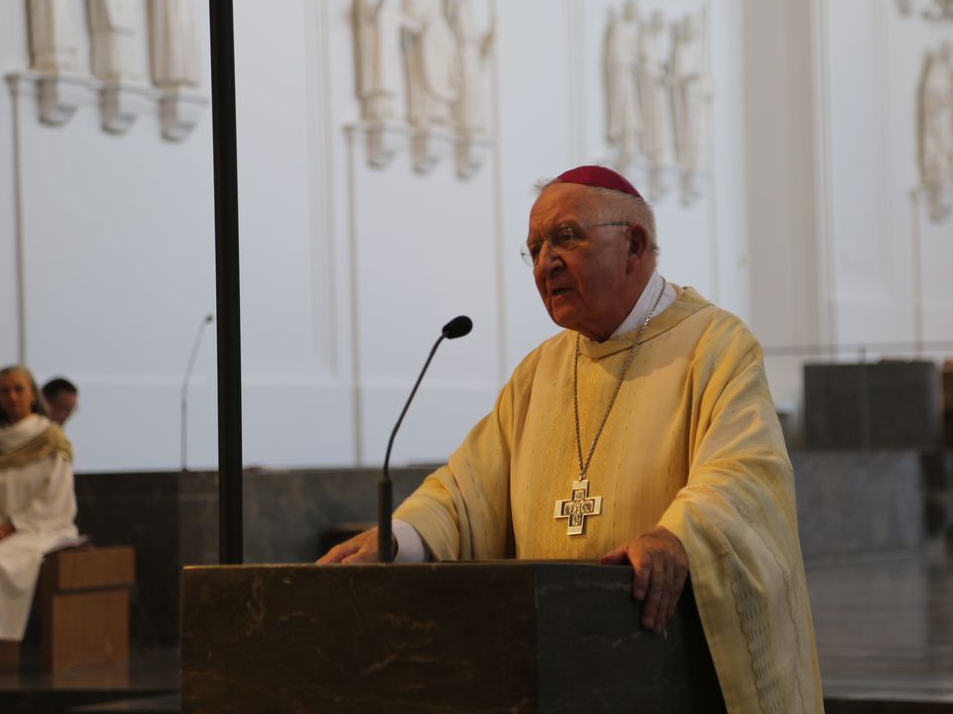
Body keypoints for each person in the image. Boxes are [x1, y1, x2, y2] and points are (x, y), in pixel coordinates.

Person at [320, 165, 822, 713]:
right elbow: (465, 492)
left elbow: (744, 474)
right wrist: (401, 537)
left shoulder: (714, 346)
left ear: (634, 245)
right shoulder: (540, 372)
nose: (545, 264)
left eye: (565, 238)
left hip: (665, 669)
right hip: (556, 673)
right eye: (535, 249)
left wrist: (678, 538)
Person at [0, 365, 79, 648]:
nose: (12, 397)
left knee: (1, 559)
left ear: (32, 394)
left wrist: (13, 526)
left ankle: (4, 644)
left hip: (41, 527)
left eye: (18, 389)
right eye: (5, 391)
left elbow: (54, 495)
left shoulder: (50, 437)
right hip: (2, 528)